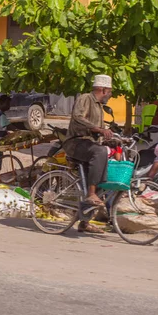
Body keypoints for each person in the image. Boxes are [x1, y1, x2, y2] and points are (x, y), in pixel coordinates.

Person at [64, 74, 113, 234]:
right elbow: (77, 118)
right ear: (103, 89)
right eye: (110, 92)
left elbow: (97, 133)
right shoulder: (86, 98)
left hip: (88, 144)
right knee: (100, 152)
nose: (110, 95)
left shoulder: (99, 106)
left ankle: (84, 222)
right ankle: (91, 194)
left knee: (100, 179)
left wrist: (112, 139)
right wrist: (99, 129)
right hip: (75, 143)